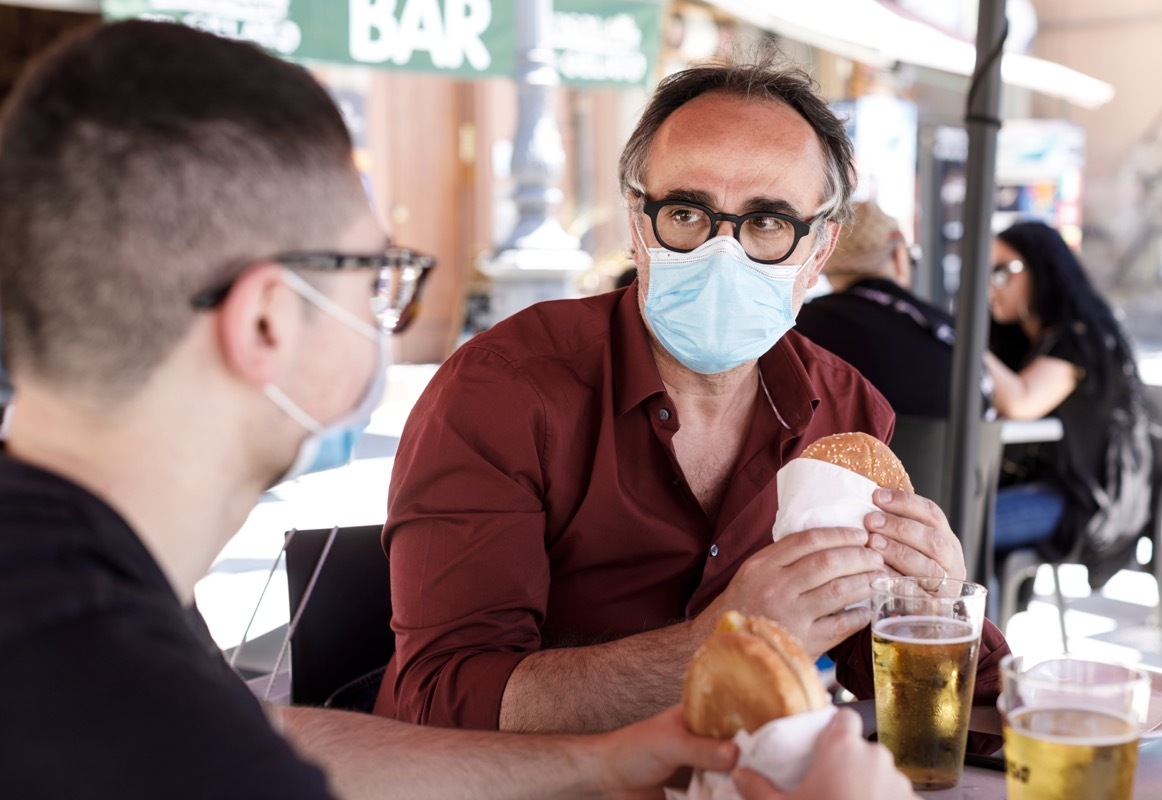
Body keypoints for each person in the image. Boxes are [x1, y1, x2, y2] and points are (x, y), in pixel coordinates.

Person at [0, 20, 754, 799]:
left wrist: (596, 761)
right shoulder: (120, 702)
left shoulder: (82, 603)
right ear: (268, 319)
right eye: (375, 277)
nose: (381, 315)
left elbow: (261, 728)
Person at [375, 48, 1010, 736]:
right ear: (637, 221)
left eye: (768, 222)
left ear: (821, 248)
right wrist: (719, 643)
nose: (722, 252)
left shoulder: (844, 410)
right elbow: (443, 704)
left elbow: (895, 677)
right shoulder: (504, 391)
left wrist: (934, 604)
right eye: (686, 213)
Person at [985, 221, 1151, 587]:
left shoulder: (1079, 340)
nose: (989, 286)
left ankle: (980, 642)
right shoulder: (1024, 344)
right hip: (1040, 487)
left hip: (1082, 501)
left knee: (964, 523)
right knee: (950, 516)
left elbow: (1020, 402)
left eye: (1000, 272)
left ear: (1041, 270)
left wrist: (964, 340)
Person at [794, 200, 958, 417]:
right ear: (900, 256)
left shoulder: (798, 327)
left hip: (834, 450)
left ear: (823, 261)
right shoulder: (944, 330)